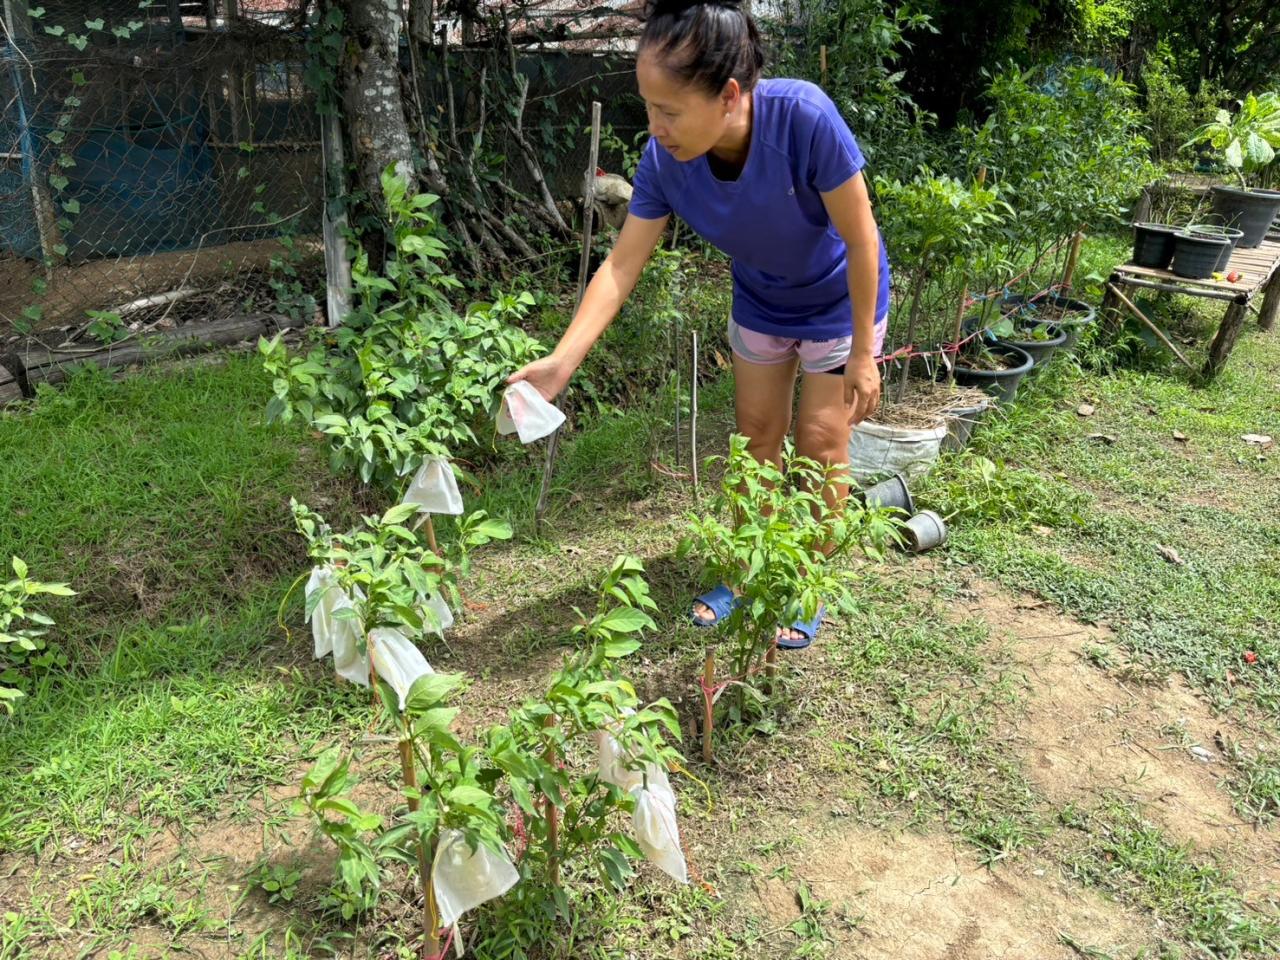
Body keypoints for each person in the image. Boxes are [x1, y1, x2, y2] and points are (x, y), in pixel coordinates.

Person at [508, 0, 891, 648]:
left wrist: (861, 351)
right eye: (648, 107)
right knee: (756, 439)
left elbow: (861, 236)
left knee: (823, 443)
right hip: (762, 303)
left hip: (837, 303)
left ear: (729, 95)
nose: (655, 128)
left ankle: (806, 582)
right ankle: (745, 574)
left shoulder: (803, 118)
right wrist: (562, 360)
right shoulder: (665, 162)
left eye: (669, 110)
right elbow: (620, 268)